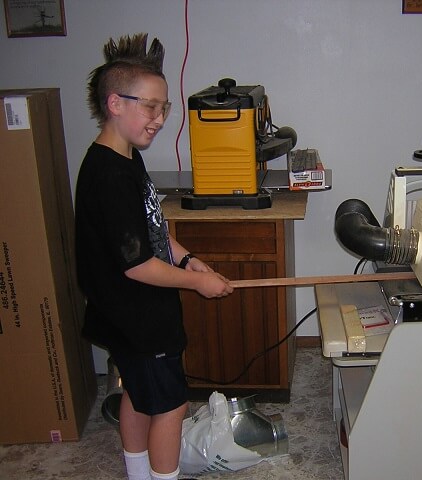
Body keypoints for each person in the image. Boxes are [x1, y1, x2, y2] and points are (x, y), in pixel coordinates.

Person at [75, 33, 233, 480]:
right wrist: (198, 283)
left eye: (164, 108)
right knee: (170, 405)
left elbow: (153, 230)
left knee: (138, 395)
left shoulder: (124, 157)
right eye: (151, 107)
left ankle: (139, 474)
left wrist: (187, 260)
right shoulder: (109, 176)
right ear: (115, 103)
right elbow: (137, 264)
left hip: (124, 312)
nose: (160, 119)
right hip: (139, 314)